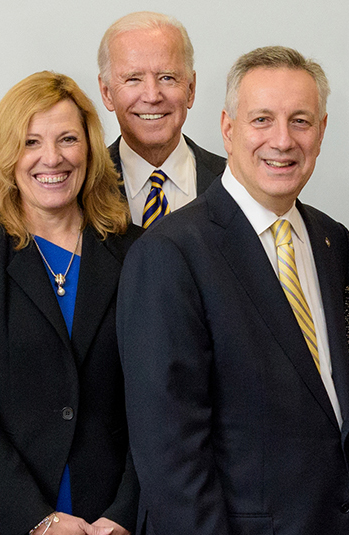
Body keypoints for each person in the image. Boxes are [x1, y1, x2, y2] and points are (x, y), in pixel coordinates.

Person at [118, 46, 349, 534]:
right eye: (262, 119)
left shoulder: (335, 242)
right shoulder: (170, 253)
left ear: (323, 131)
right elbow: (170, 456)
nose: (282, 141)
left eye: (301, 121)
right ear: (227, 128)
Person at [0, 71, 140, 535]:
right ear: (7, 155)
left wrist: (125, 511)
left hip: (108, 517)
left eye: (68, 139)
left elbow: (157, 398)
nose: (52, 158)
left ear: (89, 148)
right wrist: (36, 519)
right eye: (30, 142)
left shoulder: (138, 253)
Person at [97, 11, 225, 228]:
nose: (152, 96)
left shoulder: (235, 184)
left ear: (191, 89)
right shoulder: (84, 187)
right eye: (133, 79)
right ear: (107, 93)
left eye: (167, 77)